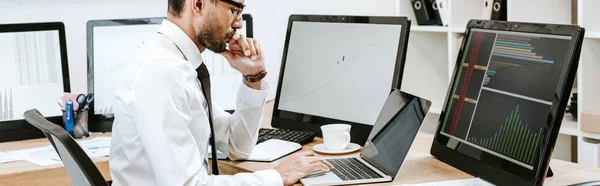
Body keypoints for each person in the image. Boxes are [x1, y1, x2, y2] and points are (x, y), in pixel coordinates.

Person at [108, 0, 333, 185]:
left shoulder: (178, 65)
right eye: (234, 10)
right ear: (198, 4)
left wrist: (252, 78)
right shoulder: (162, 72)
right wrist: (277, 176)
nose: (239, 24)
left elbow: (238, 146)